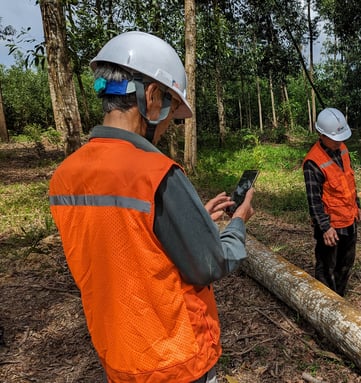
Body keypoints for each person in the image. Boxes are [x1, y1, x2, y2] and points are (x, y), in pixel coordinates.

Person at [48, 31, 254, 383]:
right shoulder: (155, 172)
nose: (168, 127)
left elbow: (125, 244)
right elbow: (211, 264)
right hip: (176, 359)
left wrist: (192, 219)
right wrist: (237, 222)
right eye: (172, 111)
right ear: (152, 95)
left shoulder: (65, 177)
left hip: (119, 355)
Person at [303, 107, 361, 297]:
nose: (340, 142)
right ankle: (325, 305)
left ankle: (340, 300)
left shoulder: (342, 148)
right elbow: (314, 200)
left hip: (349, 219)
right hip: (331, 226)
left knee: (345, 265)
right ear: (321, 134)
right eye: (335, 139)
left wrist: (357, 205)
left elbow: (349, 181)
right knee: (326, 269)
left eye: (341, 138)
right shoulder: (313, 162)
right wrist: (325, 227)